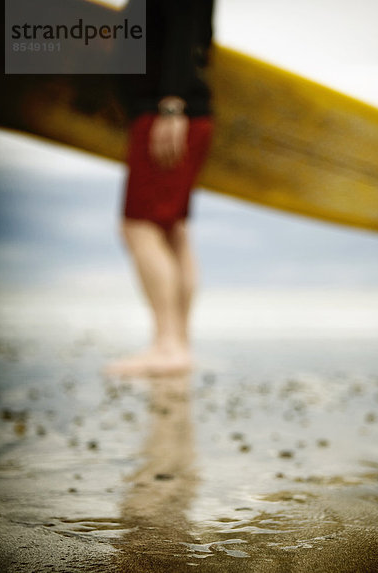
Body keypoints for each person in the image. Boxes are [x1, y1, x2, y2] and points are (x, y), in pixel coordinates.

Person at [106, 0, 215, 376]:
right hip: (180, 113)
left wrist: (171, 104)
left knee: (138, 226)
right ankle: (177, 345)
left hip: (165, 116)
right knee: (171, 228)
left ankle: (167, 345)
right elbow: (200, 38)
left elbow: (184, 31)